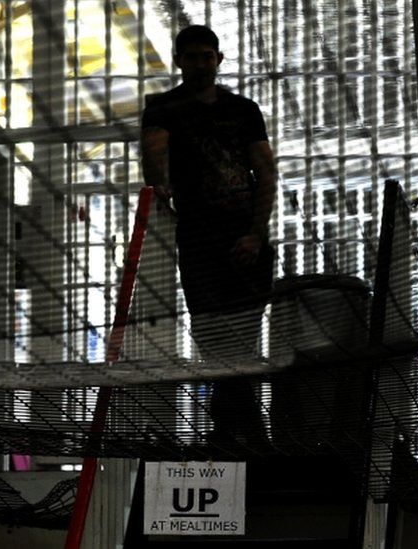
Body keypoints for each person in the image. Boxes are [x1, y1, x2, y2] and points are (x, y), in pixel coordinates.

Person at [141, 25, 277, 450]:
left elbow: (265, 170)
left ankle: (232, 428)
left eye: (207, 56)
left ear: (219, 59)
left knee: (237, 336)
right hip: (203, 236)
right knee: (215, 335)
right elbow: (154, 155)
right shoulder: (163, 107)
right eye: (193, 56)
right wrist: (159, 187)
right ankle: (246, 428)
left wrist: (255, 233)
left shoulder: (243, 110)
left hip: (239, 236)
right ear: (179, 60)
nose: (200, 64)